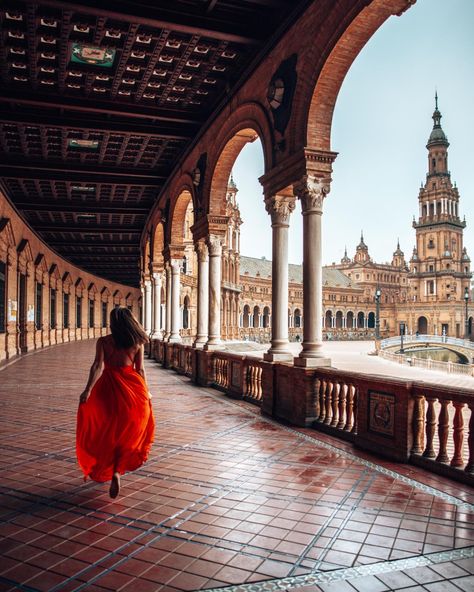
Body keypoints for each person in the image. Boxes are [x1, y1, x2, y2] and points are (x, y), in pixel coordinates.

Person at [76, 307, 155, 498]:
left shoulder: (104, 342)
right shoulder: (137, 342)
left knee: (108, 430)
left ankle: (109, 466)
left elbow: (97, 366)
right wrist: (146, 390)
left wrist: (87, 390)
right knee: (129, 432)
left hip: (108, 388)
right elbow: (140, 370)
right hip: (132, 390)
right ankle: (117, 471)